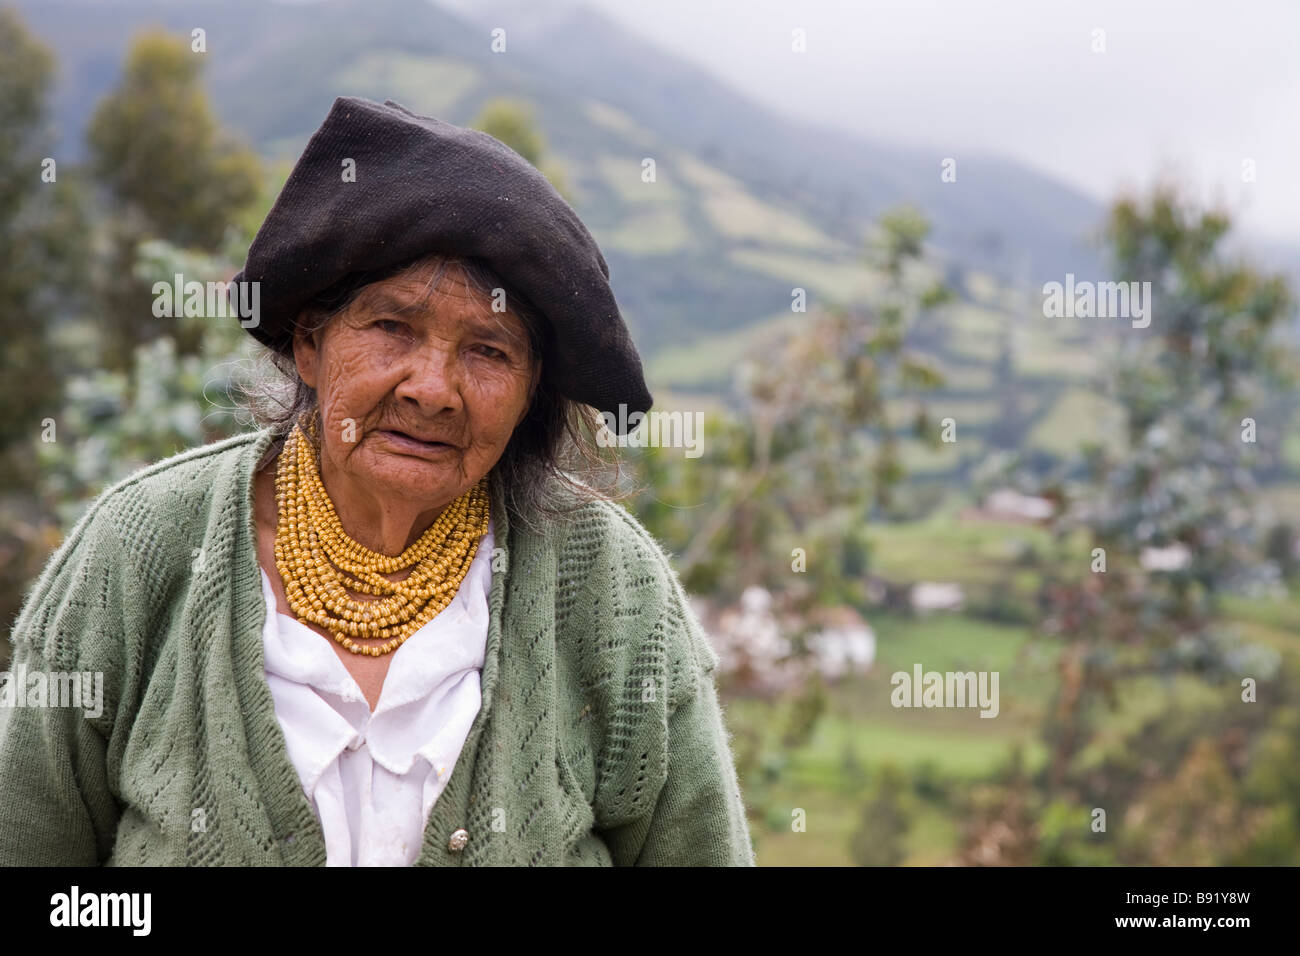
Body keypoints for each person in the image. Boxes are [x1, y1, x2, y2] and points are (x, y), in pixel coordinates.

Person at [0, 97, 755, 866]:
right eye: (393, 326)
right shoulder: (139, 550)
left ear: (531, 394)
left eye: (489, 350)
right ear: (310, 344)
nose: (433, 388)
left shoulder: (611, 587)